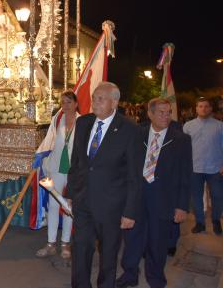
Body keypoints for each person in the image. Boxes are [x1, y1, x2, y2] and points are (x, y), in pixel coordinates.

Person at [66, 81, 144, 288]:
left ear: (114, 102)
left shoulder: (130, 130)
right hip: (83, 201)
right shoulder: (83, 123)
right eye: (94, 98)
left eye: (100, 99)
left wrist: (130, 212)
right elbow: (77, 162)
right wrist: (71, 193)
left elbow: (134, 175)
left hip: (111, 206)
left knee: (108, 254)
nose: (95, 103)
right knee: (80, 248)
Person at [117, 98, 192, 288]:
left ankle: (156, 277)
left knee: (158, 242)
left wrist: (182, 206)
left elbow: (185, 175)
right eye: (161, 112)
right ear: (150, 114)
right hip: (137, 197)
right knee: (133, 239)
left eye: (168, 112)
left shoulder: (181, 139)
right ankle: (130, 274)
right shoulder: (138, 133)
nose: (166, 116)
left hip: (163, 199)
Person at [36, 91, 79, 259]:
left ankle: (65, 243)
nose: (65, 106)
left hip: (73, 170)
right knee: (54, 205)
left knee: (69, 206)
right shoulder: (57, 119)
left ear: (76, 104)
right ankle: (51, 243)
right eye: (63, 102)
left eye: (69, 102)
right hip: (55, 168)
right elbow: (48, 141)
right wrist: (39, 156)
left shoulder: (82, 121)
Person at [182, 97, 223, 235]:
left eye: (206, 106)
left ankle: (216, 220)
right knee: (196, 197)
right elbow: (184, 149)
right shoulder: (188, 126)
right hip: (194, 168)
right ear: (196, 108)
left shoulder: (219, 125)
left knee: (218, 196)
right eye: (200, 106)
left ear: (210, 109)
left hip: (215, 168)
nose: (203, 109)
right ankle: (200, 222)